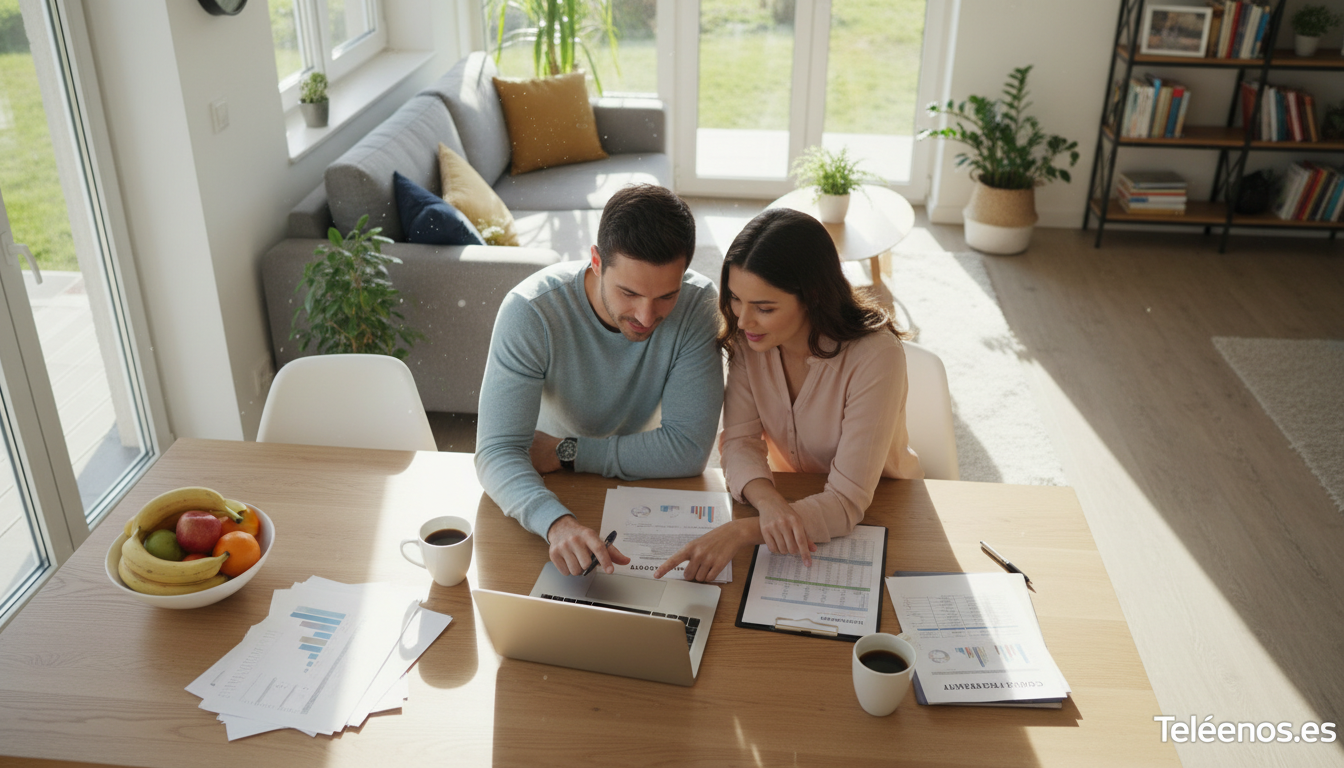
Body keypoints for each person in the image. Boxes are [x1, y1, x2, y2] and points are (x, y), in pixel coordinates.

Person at [654, 207, 923, 583]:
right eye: (735, 298)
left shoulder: (877, 357)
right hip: (790, 499)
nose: (743, 321)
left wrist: (745, 531)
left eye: (764, 308)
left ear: (812, 296)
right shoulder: (752, 341)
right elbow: (740, 442)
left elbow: (846, 500)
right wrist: (770, 504)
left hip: (883, 506)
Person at [475, 184, 724, 577]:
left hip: (609, 474)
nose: (646, 315)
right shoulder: (530, 312)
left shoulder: (697, 304)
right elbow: (498, 452)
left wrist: (566, 452)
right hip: (541, 484)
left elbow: (688, 450)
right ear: (595, 261)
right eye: (629, 292)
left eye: (665, 296)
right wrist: (556, 523)